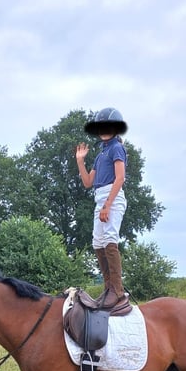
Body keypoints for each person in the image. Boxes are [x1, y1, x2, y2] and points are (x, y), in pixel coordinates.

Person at [75, 107, 131, 315]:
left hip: (112, 197)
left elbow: (120, 178)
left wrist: (108, 204)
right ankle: (108, 288)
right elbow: (88, 182)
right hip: (99, 197)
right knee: (97, 243)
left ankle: (116, 290)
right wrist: (80, 162)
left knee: (109, 239)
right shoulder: (101, 154)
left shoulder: (117, 148)